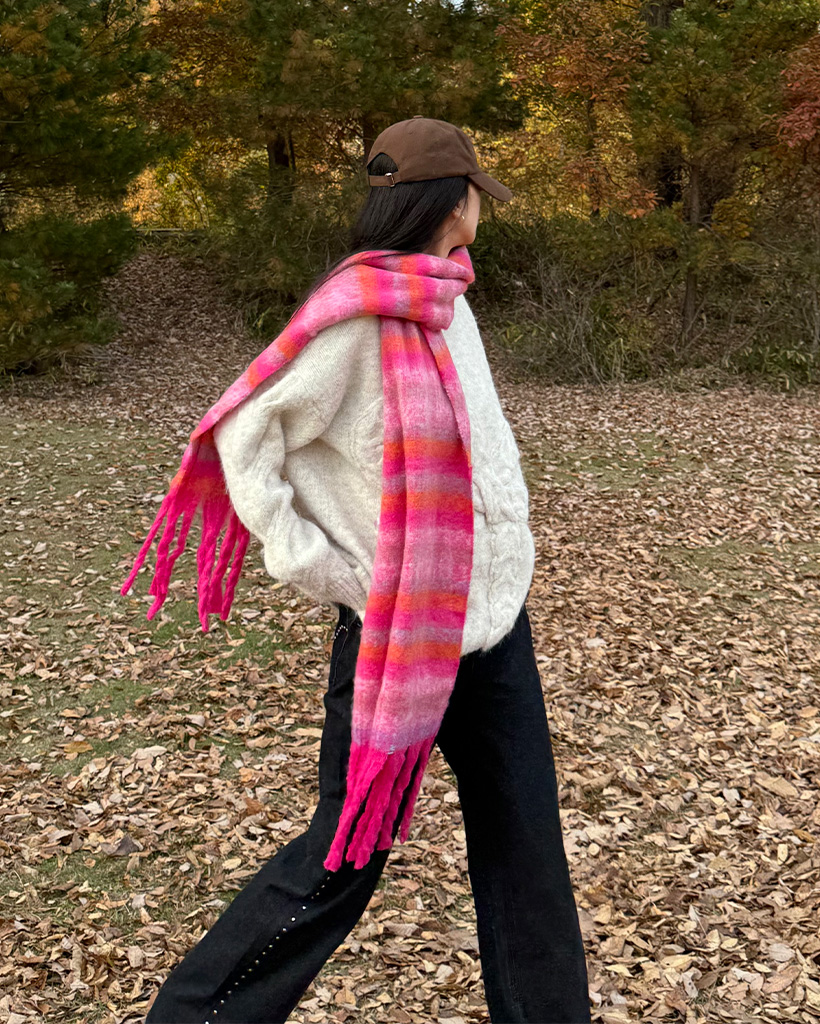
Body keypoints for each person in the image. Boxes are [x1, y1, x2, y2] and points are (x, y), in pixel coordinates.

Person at [132, 117, 591, 1023]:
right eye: (478, 193)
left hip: (495, 630)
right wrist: (323, 565)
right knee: (341, 857)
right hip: (401, 637)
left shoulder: (449, 299)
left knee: (527, 852)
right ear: (450, 201)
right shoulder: (354, 318)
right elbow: (242, 434)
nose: (482, 209)